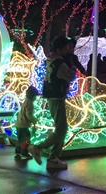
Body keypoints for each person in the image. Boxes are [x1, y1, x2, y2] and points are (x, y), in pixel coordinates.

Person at [29, 36, 76, 170]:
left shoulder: (52, 59)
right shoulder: (60, 63)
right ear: (60, 48)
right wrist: (72, 68)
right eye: (66, 48)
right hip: (56, 97)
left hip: (54, 96)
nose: (68, 50)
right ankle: (39, 148)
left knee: (61, 128)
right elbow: (70, 76)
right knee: (61, 129)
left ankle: (54, 158)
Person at [15, 85, 39, 157]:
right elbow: (29, 115)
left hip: (19, 124)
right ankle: (24, 152)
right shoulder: (30, 104)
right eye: (35, 96)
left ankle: (18, 149)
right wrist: (34, 119)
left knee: (20, 138)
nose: (36, 98)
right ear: (33, 96)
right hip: (24, 124)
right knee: (26, 138)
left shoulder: (26, 101)